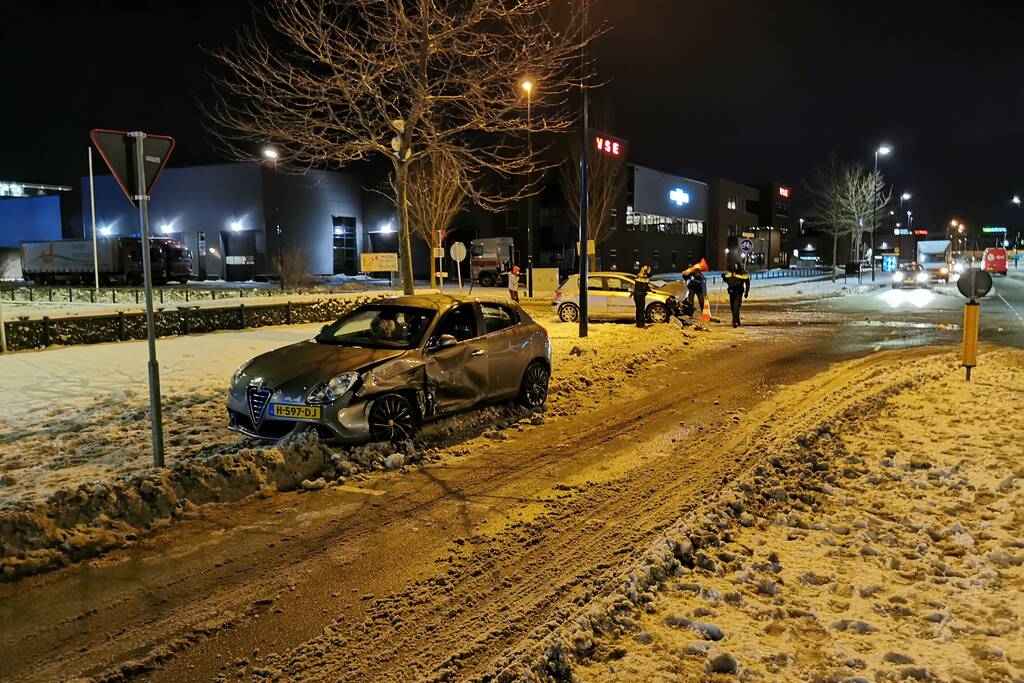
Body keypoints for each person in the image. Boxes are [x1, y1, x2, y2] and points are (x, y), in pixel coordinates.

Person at [722, 261, 751, 328]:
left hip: (739, 292)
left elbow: (747, 283)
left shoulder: (743, 273)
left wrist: (746, 292)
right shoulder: (731, 272)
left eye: (736, 266)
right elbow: (729, 281)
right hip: (731, 291)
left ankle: (734, 322)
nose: (735, 268)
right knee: (732, 307)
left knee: (736, 307)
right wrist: (724, 278)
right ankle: (737, 320)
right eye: (734, 266)